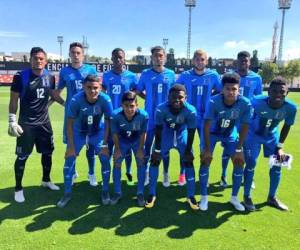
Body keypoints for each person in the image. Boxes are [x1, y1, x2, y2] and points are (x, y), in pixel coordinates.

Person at [8, 47, 61, 203]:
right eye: (35, 58)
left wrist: (65, 104)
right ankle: (18, 188)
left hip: (44, 123)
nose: (38, 61)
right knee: (22, 156)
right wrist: (12, 119)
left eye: (41, 58)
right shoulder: (20, 77)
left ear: (45, 61)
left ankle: (46, 180)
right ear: (30, 60)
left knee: (48, 153)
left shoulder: (50, 77)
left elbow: (52, 95)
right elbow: (13, 100)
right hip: (27, 124)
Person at [57, 75, 113, 208]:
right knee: (69, 159)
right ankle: (67, 193)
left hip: (97, 133)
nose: (92, 91)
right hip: (79, 133)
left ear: (100, 88)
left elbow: (108, 121)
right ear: (83, 87)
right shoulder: (76, 99)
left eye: (95, 88)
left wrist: (105, 144)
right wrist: (70, 146)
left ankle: (105, 191)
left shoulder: (105, 99)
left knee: (105, 158)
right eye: (89, 87)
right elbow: (69, 123)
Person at [243, 77, 297, 211]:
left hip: (272, 136)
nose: (278, 94)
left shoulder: (291, 108)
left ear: (287, 93)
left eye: (282, 92)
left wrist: (280, 147)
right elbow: (243, 118)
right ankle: (247, 197)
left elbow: (287, 126)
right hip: (253, 136)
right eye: (274, 91)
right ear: (269, 92)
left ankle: (272, 197)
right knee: (251, 164)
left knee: (278, 164)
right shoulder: (255, 102)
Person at [200, 73, 252, 211]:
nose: (231, 92)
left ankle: (234, 198)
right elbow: (206, 125)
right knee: (205, 160)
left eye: (234, 89)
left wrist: (239, 149)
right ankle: (204, 197)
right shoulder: (213, 101)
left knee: (239, 162)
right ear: (222, 89)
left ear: (239, 89)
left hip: (229, 134)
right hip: (211, 134)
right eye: (228, 89)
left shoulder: (245, 103)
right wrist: (206, 149)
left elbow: (245, 126)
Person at [145, 84, 198, 210]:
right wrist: (157, 149)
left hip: (182, 135)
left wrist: (188, 150)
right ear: (168, 97)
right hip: (166, 135)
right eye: (173, 97)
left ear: (186, 97)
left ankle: (191, 195)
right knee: (155, 160)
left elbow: (191, 131)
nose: (177, 100)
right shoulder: (160, 109)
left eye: (180, 97)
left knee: (189, 162)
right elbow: (158, 129)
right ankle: (152, 194)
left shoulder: (191, 110)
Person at [53, 42, 99, 186]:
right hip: (72, 116)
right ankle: (72, 172)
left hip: (89, 115)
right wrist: (65, 104)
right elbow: (56, 93)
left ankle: (91, 173)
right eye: (73, 52)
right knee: (71, 145)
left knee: (91, 146)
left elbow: (97, 90)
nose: (76, 55)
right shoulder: (65, 71)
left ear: (83, 55)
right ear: (69, 54)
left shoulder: (91, 69)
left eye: (78, 53)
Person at [176, 49, 221, 186]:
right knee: (185, 146)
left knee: (205, 147)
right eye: (197, 59)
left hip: (206, 117)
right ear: (193, 60)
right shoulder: (185, 75)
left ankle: (203, 175)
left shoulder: (213, 75)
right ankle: (182, 173)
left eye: (202, 59)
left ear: (206, 61)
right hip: (187, 116)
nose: (200, 62)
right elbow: (176, 91)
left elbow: (220, 91)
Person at [220, 51, 262, 187]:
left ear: (249, 62)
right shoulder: (230, 76)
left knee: (248, 148)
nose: (243, 62)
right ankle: (223, 175)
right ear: (236, 62)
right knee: (228, 147)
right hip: (231, 118)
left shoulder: (256, 78)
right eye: (241, 60)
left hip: (248, 119)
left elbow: (258, 98)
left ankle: (249, 176)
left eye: (246, 60)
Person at [136, 46, 175, 187]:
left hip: (166, 118)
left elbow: (175, 94)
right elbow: (138, 90)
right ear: (151, 58)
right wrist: (147, 98)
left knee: (165, 148)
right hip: (150, 118)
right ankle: (146, 173)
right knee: (147, 146)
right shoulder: (145, 74)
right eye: (155, 56)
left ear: (164, 57)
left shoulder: (170, 74)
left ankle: (165, 174)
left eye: (160, 55)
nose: (158, 58)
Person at [102, 48, 138, 185]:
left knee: (127, 146)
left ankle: (128, 170)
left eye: (121, 57)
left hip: (127, 117)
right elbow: (103, 94)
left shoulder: (132, 76)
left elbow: (135, 95)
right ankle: (111, 175)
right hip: (111, 118)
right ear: (112, 58)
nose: (118, 60)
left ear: (124, 59)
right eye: (115, 57)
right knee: (110, 146)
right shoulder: (106, 76)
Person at [110, 91, 148, 207]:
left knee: (141, 163)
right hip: (122, 141)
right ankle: (117, 192)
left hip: (137, 142)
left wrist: (141, 149)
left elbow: (143, 133)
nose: (129, 109)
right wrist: (117, 149)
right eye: (126, 106)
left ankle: (140, 192)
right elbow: (115, 133)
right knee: (116, 162)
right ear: (122, 105)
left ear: (137, 105)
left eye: (132, 106)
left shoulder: (143, 115)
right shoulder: (115, 115)